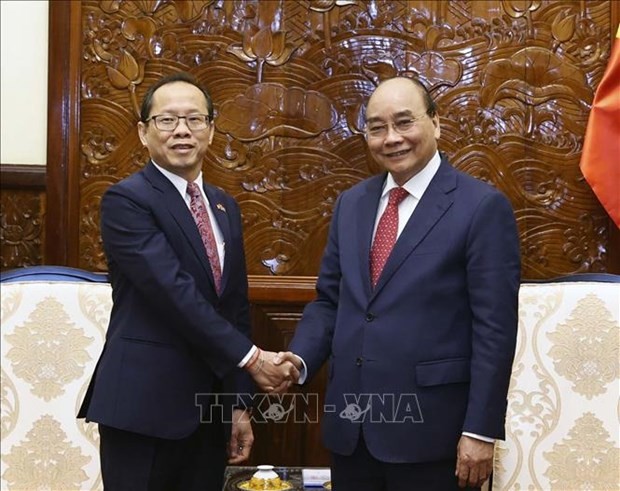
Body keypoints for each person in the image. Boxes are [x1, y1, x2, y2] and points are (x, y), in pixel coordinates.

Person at [274, 77, 521, 490]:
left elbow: (495, 328)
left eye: (404, 122)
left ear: (436, 124)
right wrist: (298, 360)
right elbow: (330, 301)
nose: (391, 138)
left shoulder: (481, 207)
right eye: (376, 127)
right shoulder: (351, 203)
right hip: (352, 431)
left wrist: (480, 430)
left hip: (434, 435)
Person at [78, 72, 298, 491]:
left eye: (194, 119)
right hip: (143, 408)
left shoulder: (224, 206)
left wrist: (237, 405)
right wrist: (253, 360)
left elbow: (232, 308)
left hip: (208, 411)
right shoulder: (127, 200)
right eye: (167, 120)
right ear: (144, 133)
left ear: (211, 130)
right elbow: (173, 293)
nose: (182, 129)